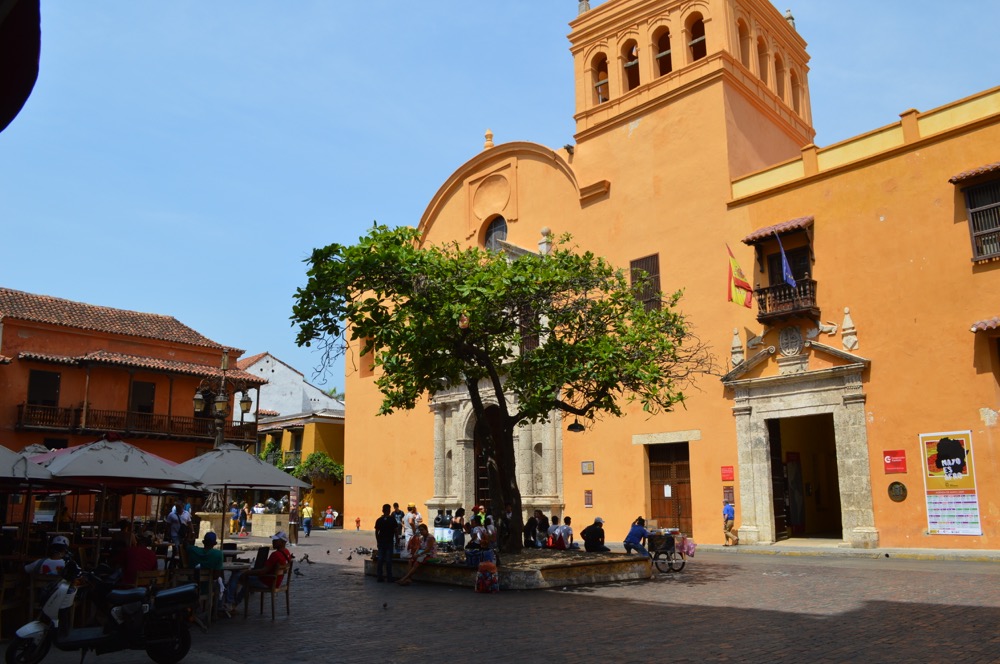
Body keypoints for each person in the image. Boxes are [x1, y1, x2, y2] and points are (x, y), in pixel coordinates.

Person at [233, 531, 294, 605]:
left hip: (267, 582)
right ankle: (235, 603)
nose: (273, 541)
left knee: (237, 576)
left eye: (275, 540)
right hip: (275, 581)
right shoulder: (287, 552)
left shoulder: (275, 555)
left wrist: (247, 572)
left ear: (282, 542)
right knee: (246, 582)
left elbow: (263, 571)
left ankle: (229, 602)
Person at [374, 504, 397, 583]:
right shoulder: (392, 519)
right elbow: (396, 531)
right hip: (389, 542)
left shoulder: (379, 520)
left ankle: (379, 576)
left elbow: (376, 532)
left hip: (381, 542)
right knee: (388, 560)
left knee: (380, 559)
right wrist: (397, 540)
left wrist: (378, 541)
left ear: (382, 510)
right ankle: (389, 577)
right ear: (389, 510)